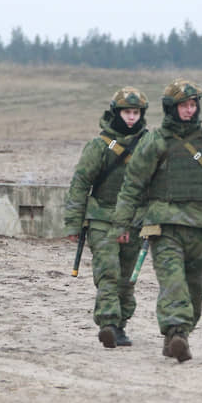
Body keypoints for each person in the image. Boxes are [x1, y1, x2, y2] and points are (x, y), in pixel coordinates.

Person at [110, 78, 202, 363]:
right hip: (164, 227)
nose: (189, 110)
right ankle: (176, 332)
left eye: (193, 104)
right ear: (171, 108)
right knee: (173, 283)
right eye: (183, 105)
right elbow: (132, 185)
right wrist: (122, 224)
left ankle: (179, 334)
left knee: (195, 289)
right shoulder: (155, 141)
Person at [64, 87, 149, 349]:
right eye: (126, 112)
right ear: (116, 113)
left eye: (135, 112)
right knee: (108, 273)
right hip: (102, 219)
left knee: (127, 278)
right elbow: (80, 184)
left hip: (135, 221)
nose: (131, 117)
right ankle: (109, 324)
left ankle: (120, 324)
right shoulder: (98, 146)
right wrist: (74, 223)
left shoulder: (150, 145)